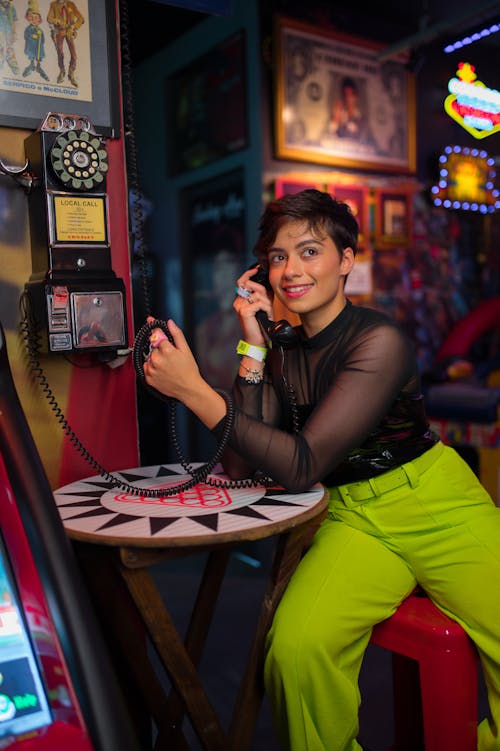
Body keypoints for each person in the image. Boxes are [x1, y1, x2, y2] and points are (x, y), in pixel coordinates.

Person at [143, 189, 500, 751]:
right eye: (279, 257)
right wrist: (254, 344)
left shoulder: (379, 341)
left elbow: (302, 463)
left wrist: (194, 392)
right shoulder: (282, 349)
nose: (291, 271)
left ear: (346, 261)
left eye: (310, 252)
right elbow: (245, 458)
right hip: (351, 516)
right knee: (296, 651)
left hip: (434, 501)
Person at [47, 0, 84, 87]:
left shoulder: (71, 4)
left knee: (74, 54)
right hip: (59, 31)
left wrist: (74, 26)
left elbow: (81, 18)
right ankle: (62, 71)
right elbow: (49, 18)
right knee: (60, 53)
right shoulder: (53, 4)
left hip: (69, 31)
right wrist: (56, 21)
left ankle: (71, 73)